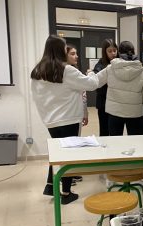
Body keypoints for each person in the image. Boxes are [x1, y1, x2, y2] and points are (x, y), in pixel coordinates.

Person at [30, 35, 99, 204]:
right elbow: (91, 85)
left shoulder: (38, 70)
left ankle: (50, 187)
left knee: (57, 154)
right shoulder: (66, 69)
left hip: (50, 119)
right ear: (59, 49)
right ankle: (67, 194)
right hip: (68, 118)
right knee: (68, 157)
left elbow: (37, 96)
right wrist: (93, 74)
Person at [96, 41, 143, 136]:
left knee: (115, 142)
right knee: (134, 143)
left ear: (119, 52)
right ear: (133, 52)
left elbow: (96, 82)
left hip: (114, 112)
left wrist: (90, 73)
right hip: (135, 112)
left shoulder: (110, 69)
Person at [66, 44, 87, 185]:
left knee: (75, 142)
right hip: (69, 115)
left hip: (77, 112)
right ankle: (66, 178)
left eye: (76, 53)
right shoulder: (67, 72)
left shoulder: (74, 71)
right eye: (72, 54)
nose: (76, 56)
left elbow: (83, 95)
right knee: (69, 145)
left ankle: (71, 174)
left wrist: (85, 113)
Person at [93, 39, 118, 137]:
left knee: (115, 131)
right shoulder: (100, 65)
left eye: (114, 50)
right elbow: (96, 85)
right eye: (110, 51)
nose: (113, 53)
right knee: (104, 131)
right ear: (105, 52)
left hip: (116, 103)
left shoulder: (119, 63)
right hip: (103, 103)